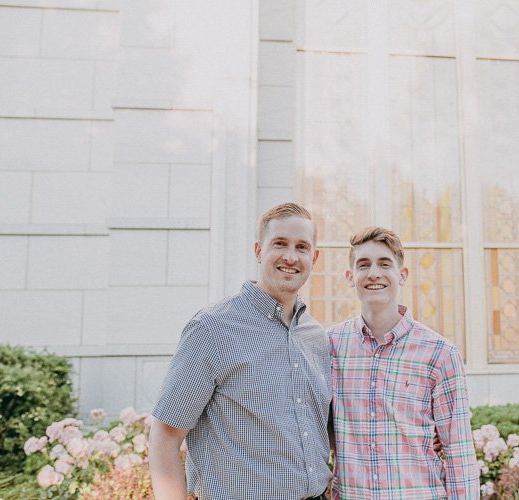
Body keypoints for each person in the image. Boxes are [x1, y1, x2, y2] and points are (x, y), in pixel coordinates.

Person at [148, 203, 332, 500]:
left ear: (315, 257)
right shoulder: (212, 330)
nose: (290, 256)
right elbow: (165, 437)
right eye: (279, 244)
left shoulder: (316, 338)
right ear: (259, 250)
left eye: (302, 247)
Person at [329, 227, 479, 499]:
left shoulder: (439, 353)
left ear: (402, 275)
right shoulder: (330, 347)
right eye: (364, 265)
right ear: (350, 277)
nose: (374, 273)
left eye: (384, 264)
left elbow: (459, 451)